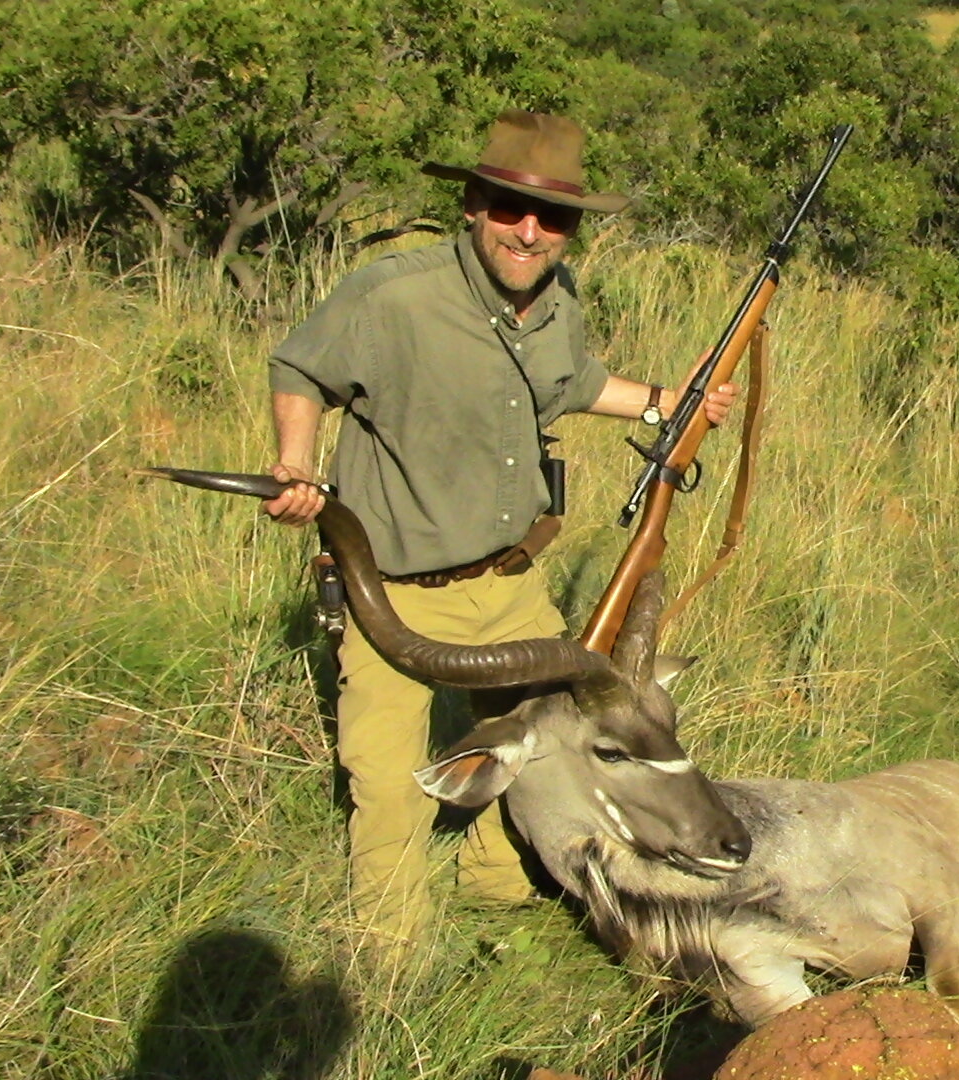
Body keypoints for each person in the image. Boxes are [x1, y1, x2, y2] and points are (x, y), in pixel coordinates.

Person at [259, 110, 735, 954]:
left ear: (572, 229)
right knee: (387, 781)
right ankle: (390, 961)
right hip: (393, 595)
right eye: (510, 207)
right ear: (473, 204)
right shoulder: (394, 295)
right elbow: (299, 365)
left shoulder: (560, 302)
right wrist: (295, 464)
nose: (529, 231)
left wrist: (670, 399)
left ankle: (493, 885)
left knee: (550, 753)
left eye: (552, 217)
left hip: (511, 582)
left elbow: (577, 382)